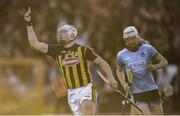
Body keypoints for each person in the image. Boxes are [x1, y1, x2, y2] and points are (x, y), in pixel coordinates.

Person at [24, 7, 118, 115]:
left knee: (87, 110)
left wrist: (112, 79)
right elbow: (34, 43)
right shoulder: (57, 51)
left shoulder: (83, 50)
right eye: (59, 33)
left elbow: (103, 62)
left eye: (63, 33)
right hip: (71, 92)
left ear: (72, 34)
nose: (59, 35)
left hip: (86, 88)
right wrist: (28, 23)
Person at [116, 26, 168, 115]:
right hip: (137, 93)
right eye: (128, 39)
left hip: (152, 90)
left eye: (133, 38)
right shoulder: (121, 55)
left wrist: (154, 67)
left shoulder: (148, 48)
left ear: (137, 37)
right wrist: (123, 84)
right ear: (125, 41)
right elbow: (119, 71)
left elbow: (164, 62)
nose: (131, 41)